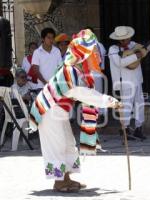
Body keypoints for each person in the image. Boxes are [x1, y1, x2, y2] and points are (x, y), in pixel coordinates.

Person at [29, 29, 121, 192]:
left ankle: (66, 178)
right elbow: (82, 94)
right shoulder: (70, 71)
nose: (94, 55)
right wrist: (110, 101)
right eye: (91, 51)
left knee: (68, 143)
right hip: (49, 111)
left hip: (58, 112)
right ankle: (59, 182)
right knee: (57, 145)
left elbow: (83, 93)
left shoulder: (74, 70)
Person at [108, 26, 150, 140]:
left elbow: (143, 51)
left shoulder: (134, 45)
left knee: (140, 104)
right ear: (118, 40)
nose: (126, 41)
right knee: (126, 106)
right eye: (123, 39)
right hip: (125, 82)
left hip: (137, 79)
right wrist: (135, 56)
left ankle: (139, 128)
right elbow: (120, 62)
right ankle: (125, 129)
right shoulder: (113, 49)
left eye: (127, 38)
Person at [31, 27, 62, 92]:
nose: (51, 40)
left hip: (55, 87)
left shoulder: (57, 51)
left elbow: (60, 68)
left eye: (52, 38)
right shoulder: (37, 52)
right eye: (48, 37)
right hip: (41, 87)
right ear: (43, 39)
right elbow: (36, 70)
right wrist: (45, 83)